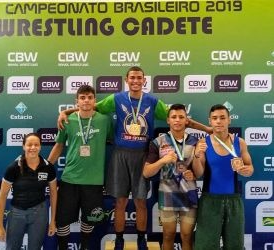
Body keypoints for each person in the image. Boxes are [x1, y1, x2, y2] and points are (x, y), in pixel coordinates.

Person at [58, 66, 210, 250]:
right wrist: (66, 113)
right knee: (120, 201)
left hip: (142, 155)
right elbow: (90, 107)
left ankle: (141, 239)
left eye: (139, 78)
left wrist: (207, 129)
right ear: (126, 80)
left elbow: (183, 119)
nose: (136, 81)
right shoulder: (116, 98)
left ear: (144, 80)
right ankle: (119, 240)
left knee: (140, 202)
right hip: (120, 153)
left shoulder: (152, 101)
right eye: (132, 78)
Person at [48, 85, 113, 250]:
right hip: (70, 179)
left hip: (94, 180)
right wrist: (46, 167)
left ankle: (84, 247)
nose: (86, 100)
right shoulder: (67, 120)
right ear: (76, 101)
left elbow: (113, 142)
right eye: (82, 98)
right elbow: (59, 146)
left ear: (94, 100)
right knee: (62, 219)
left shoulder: (104, 120)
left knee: (89, 218)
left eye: (90, 97)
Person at [192, 104, 254, 250]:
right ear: (210, 121)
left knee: (235, 246)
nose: (218, 121)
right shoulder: (203, 143)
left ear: (229, 120)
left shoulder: (240, 142)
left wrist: (247, 171)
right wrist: (196, 155)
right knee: (205, 246)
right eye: (215, 118)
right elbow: (199, 173)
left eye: (222, 118)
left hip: (234, 201)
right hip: (209, 201)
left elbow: (250, 167)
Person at [143, 104, 198, 250]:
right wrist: (163, 161)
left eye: (181, 117)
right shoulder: (158, 142)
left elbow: (200, 170)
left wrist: (193, 173)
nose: (177, 120)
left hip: (189, 194)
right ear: (168, 120)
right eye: (174, 117)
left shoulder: (195, 142)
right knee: (168, 234)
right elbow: (147, 172)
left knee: (187, 235)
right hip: (167, 194)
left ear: (187, 120)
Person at [0, 133, 57, 250]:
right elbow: (2, 196)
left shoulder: (48, 167)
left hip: (39, 214)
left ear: (40, 147)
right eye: (29, 145)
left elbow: (54, 194)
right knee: (12, 247)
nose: (33, 148)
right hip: (16, 213)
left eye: (36, 144)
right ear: (23, 146)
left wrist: (53, 221)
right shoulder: (13, 168)